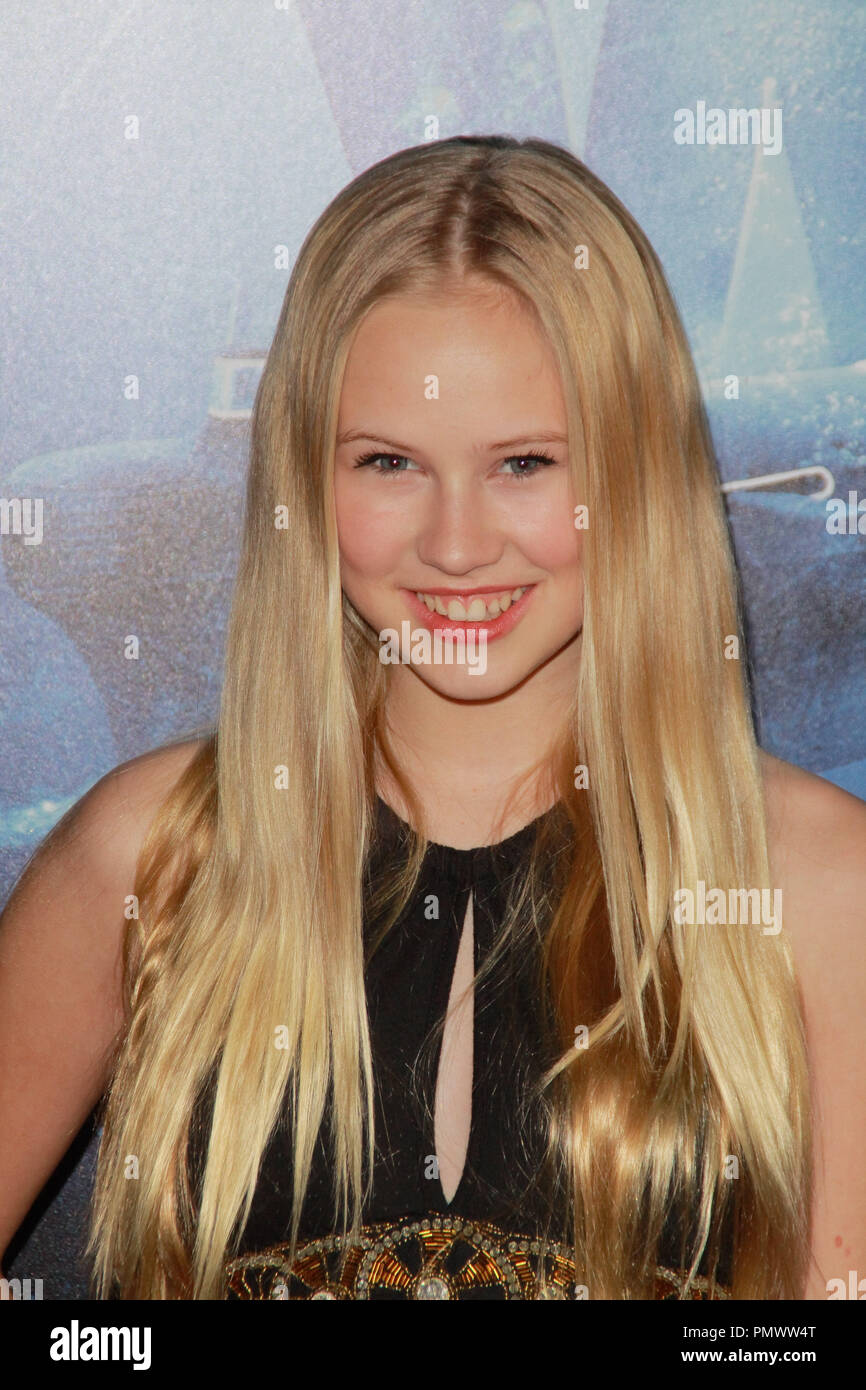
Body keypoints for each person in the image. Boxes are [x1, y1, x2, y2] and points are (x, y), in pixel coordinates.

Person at [1, 135, 864, 1301]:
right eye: (389, 462)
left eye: (523, 463)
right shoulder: (152, 855)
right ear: (305, 478)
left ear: (636, 469)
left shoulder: (818, 887)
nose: (456, 544)